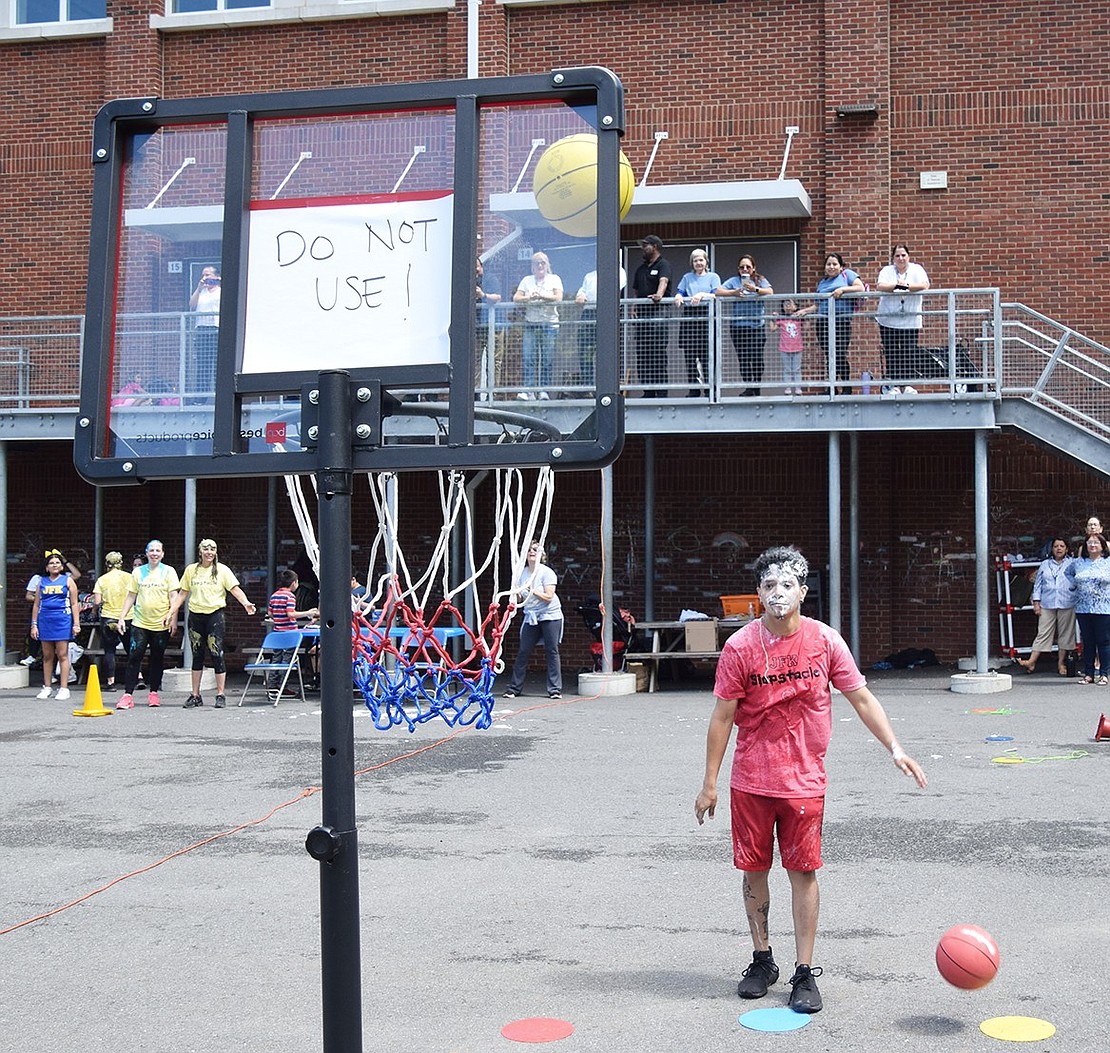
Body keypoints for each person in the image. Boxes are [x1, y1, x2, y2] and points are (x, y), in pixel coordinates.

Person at [694, 546, 927, 1014]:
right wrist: (710, 782)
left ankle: (804, 970)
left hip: (804, 781)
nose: (776, 593)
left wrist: (895, 748)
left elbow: (861, 698)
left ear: (802, 592)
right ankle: (762, 960)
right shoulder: (740, 647)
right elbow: (722, 718)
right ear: (758, 594)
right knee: (753, 869)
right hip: (752, 780)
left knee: (803, 871)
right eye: (767, 585)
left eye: (785, 585)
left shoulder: (826, 642)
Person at [168, 539, 257, 709]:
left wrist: (246, 603)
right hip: (196, 616)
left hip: (215, 616)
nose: (209, 552)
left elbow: (234, 589)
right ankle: (195, 695)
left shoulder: (222, 570)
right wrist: (171, 612)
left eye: (213, 549)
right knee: (197, 656)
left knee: (217, 654)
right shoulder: (191, 570)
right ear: (200, 551)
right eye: (206, 549)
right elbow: (182, 594)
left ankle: (220, 694)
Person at [116, 540, 180, 710]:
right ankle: (127, 695)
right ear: (146, 553)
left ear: (162, 553)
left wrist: (173, 619)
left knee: (157, 658)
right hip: (140, 622)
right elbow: (131, 596)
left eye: (158, 550)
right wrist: (122, 617)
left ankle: (153, 693)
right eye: (151, 550)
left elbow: (174, 596)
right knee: (134, 657)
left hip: (161, 623)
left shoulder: (169, 572)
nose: (154, 553)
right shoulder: (138, 572)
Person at [503, 541, 563, 700]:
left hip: (549, 615)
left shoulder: (546, 572)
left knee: (552, 650)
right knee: (523, 651)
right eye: (529, 550)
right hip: (531, 614)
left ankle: (555, 689)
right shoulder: (521, 573)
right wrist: (514, 595)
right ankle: (514, 688)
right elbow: (518, 596)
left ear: (541, 554)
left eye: (535, 550)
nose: (531, 552)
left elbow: (549, 597)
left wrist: (531, 591)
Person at [798, 253, 864, 392]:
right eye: (828, 264)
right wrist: (805, 311)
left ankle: (846, 386)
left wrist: (842, 289)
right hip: (823, 322)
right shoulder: (822, 283)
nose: (831, 267)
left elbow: (860, 287)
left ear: (841, 267)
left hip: (841, 321)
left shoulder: (847, 275)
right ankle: (831, 387)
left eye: (834, 264)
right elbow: (818, 305)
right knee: (829, 354)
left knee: (839, 353)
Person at [716, 254, 773, 397]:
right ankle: (748, 387)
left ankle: (757, 387)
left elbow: (770, 291)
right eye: (742, 267)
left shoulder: (760, 280)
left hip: (756, 326)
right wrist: (733, 293)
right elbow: (718, 291)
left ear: (753, 268)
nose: (745, 269)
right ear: (738, 269)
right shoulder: (734, 281)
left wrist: (755, 290)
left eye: (748, 267)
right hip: (738, 326)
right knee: (743, 358)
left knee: (757, 358)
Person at [875, 244, 930, 387]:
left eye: (903, 255)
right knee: (891, 351)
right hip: (888, 319)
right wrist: (896, 286)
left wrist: (905, 285)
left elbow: (924, 285)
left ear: (908, 256)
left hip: (910, 320)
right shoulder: (887, 270)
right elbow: (880, 285)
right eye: (897, 256)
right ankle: (893, 384)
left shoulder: (917, 269)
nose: (900, 258)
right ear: (893, 258)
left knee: (909, 351)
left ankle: (907, 384)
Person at [30, 549, 81, 701]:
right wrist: (34, 624)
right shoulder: (42, 582)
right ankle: (47, 687)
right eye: (51, 563)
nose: (54, 565)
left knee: (62, 654)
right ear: (46, 567)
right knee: (47, 655)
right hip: (45, 620)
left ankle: (64, 688)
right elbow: (36, 605)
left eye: (57, 563)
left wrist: (76, 624)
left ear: (61, 566)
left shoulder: (67, 580)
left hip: (62, 620)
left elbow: (74, 603)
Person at [512, 252, 563, 400]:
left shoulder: (554, 279)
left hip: (549, 324)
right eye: (536, 263)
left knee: (547, 358)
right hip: (531, 324)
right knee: (528, 357)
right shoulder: (527, 280)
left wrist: (541, 297)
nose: (539, 265)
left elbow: (558, 298)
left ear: (547, 265)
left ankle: (543, 390)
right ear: (532, 267)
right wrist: (529, 297)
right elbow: (516, 298)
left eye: (542, 262)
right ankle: (528, 390)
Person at [673, 249, 721, 397]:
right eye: (695, 261)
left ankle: (709, 389)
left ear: (706, 261)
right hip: (690, 317)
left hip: (707, 316)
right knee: (690, 356)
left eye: (701, 260)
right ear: (692, 263)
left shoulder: (713, 277)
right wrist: (678, 296)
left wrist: (702, 295)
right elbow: (680, 291)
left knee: (707, 356)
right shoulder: (687, 277)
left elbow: (716, 293)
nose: (698, 263)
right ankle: (694, 389)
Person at [630, 235, 673, 397]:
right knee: (642, 353)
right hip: (642, 317)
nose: (643, 248)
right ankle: (647, 391)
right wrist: (633, 308)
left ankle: (661, 392)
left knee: (658, 353)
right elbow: (636, 291)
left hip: (658, 314)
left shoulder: (664, 265)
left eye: (645, 245)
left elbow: (664, 281)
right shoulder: (641, 269)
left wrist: (659, 294)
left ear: (655, 246)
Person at [267, 569, 319, 699]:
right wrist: (308, 612)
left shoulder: (274, 595)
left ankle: (272, 686)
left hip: (277, 633)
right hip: (289, 634)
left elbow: (270, 613)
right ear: (294, 583)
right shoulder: (290, 597)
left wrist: (279, 619)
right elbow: (291, 614)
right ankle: (282, 686)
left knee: (276, 659)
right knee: (287, 660)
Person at [1066, 533, 1110, 685]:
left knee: (1103, 641)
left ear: (1102, 546)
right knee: (1088, 641)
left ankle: (1104, 673)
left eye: (1096, 543)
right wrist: (1074, 586)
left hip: (1103, 607)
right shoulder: (1078, 563)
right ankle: (1089, 673)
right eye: (1090, 543)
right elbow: (1068, 573)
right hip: (1083, 607)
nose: (1092, 545)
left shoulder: (1107, 562)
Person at [574, 264, 626, 388]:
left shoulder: (618, 271)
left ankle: (607, 386)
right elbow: (581, 293)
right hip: (589, 313)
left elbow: (616, 287)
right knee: (586, 351)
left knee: (607, 351)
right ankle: (588, 386)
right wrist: (580, 296)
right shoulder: (589, 276)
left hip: (606, 311)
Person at [92, 551, 133, 691]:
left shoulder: (102, 579)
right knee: (132, 649)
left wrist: (93, 610)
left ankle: (110, 682)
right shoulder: (130, 577)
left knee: (109, 651)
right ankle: (138, 677)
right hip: (128, 616)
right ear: (121, 563)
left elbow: (97, 601)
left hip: (109, 617)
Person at [188, 265, 221, 402]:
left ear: (215, 276)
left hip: (216, 328)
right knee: (203, 365)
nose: (204, 278)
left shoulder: (220, 291)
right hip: (202, 329)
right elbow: (192, 304)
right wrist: (198, 288)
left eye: (207, 275)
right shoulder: (201, 292)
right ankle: (200, 398)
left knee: (217, 364)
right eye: (203, 275)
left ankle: (220, 396)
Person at [475, 256, 502, 392]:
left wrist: (483, 295)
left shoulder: (490, 279)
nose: (475, 269)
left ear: (482, 266)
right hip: (476, 328)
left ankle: (493, 395)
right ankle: (474, 395)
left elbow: (497, 298)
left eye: (477, 266)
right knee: (475, 362)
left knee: (494, 361)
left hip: (494, 327)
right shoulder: (467, 280)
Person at [775, 299, 805, 395]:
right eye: (785, 304)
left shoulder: (798, 317)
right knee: (787, 369)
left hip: (797, 346)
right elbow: (773, 328)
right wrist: (772, 319)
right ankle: (787, 388)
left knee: (797, 369)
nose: (787, 305)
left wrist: (805, 315)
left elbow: (807, 326)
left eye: (790, 303)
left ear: (795, 307)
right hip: (784, 347)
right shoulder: (782, 318)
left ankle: (798, 388)